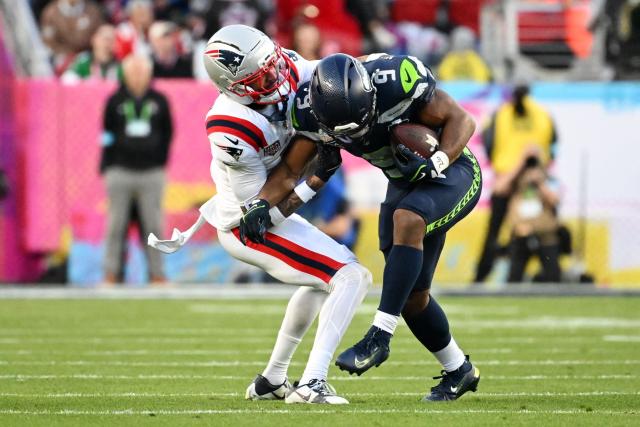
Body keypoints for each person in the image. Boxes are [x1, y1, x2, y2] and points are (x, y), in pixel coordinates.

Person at [241, 53, 482, 401]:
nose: (356, 134)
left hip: (450, 170)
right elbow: (291, 171)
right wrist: (260, 203)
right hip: (402, 181)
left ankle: (380, 334)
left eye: (359, 122)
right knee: (412, 296)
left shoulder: (397, 79)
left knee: (407, 220)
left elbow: (462, 119)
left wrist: (438, 160)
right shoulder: (308, 111)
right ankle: (459, 370)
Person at [150, 25, 371, 404]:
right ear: (235, 87)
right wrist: (315, 179)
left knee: (323, 280)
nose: (278, 76)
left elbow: (335, 72)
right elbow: (263, 209)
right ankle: (311, 384)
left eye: (273, 64)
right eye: (263, 76)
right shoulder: (231, 127)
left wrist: (379, 68)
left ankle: (273, 380)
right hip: (246, 222)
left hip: (268, 204)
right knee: (351, 276)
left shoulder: (286, 65)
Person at [474, 84, 557, 283]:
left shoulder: (500, 114)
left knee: (494, 233)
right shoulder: (542, 114)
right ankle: (549, 272)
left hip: (510, 177)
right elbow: (553, 143)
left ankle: (480, 278)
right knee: (499, 233)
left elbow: (488, 142)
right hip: (524, 178)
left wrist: (501, 164)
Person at [100, 54, 172, 285]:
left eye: (142, 70)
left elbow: (168, 134)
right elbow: (106, 134)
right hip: (120, 171)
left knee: (153, 225)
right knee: (115, 225)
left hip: (151, 172)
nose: (138, 75)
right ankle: (112, 273)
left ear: (149, 73)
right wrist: (108, 166)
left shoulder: (159, 100)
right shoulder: (115, 100)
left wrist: (159, 162)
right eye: (133, 71)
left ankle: (157, 274)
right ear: (126, 73)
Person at [505, 155, 562, 283]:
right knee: (514, 276)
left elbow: (554, 200)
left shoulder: (548, 182)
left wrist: (540, 183)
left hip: (545, 236)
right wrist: (520, 166)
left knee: (553, 275)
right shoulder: (516, 183)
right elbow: (500, 187)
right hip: (521, 235)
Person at [40, 0, 105, 71]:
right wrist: (69, 55)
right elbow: (49, 41)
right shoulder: (51, 13)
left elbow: (100, 32)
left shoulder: (92, 10)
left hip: (90, 55)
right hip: (64, 57)